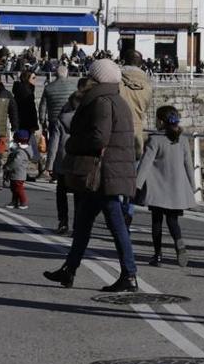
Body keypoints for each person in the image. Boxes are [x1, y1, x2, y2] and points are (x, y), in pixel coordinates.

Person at [43, 58, 138, 293]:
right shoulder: (117, 100)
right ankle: (69, 269)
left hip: (103, 173)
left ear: (97, 78)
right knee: (83, 223)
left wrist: (73, 143)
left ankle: (129, 274)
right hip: (108, 172)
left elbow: (99, 138)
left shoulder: (101, 102)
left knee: (116, 224)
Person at [136, 106, 197, 267]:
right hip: (176, 189)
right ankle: (178, 242)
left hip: (157, 189)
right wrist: (192, 186)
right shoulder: (182, 140)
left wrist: (136, 185)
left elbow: (145, 164)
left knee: (156, 222)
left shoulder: (155, 140)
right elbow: (189, 165)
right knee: (173, 220)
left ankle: (158, 255)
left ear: (160, 121)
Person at [53, 77, 89, 235]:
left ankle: (63, 221)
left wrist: (48, 165)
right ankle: (78, 225)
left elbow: (54, 142)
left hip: (63, 158)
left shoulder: (62, 116)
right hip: (79, 158)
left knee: (61, 192)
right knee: (79, 195)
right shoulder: (88, 117)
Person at [39, 68, 78, 182]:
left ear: (55, 74)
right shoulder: (73, 86)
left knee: (54, 146)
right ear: (66, 74)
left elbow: (43, 107)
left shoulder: (49, 87)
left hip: (54, 119)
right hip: (70, 118)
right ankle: (67, 171)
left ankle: (55, 173)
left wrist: (42, 121)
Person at [119, 50, 153, 159]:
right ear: (141, 64)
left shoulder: (115, 81)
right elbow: (146, 107)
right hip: (137, 134)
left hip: (116, 131)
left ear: (123, 61)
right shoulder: (147, 86)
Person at [12, 69, 40, 170]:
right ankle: (18, 170)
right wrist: (33, 125)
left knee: (21, 148)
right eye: (33, 78)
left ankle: (19, 170)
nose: (35, 80)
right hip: (25, 124)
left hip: (21, 123)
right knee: (25, 148)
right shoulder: (26, 91)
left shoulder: (24, 89)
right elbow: (30, 110)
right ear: (27, 78)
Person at [5, 129, 31, 209]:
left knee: (19, 189)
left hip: (18, 174)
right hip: (16, 173)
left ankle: (23, 202)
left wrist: (8, 167)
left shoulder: (21, 152)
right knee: (13, 189)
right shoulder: (20, 150)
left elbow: (16, 162)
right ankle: (14, 202)